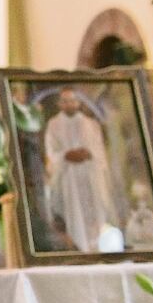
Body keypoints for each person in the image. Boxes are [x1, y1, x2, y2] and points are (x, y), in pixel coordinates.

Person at [44, 87, 118, 252]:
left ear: (78, 102)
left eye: (72, 100)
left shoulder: (90, 123)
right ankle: (78, 249)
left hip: (90, 176)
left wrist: (88, 154)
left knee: (96, 215)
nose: (69, 104)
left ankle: (98, 247)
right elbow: (51, 152)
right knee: (73, 216)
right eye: (65, 101)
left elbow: (99, 151)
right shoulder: (53, 124)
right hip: (68, 178)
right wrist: (66, 155)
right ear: (59, 104)